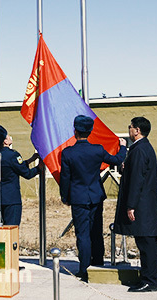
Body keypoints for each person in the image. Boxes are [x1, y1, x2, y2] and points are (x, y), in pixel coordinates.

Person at [60, 115, 126, 283]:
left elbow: (65, 178)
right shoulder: (97, 149)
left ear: (75, 131)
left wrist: (65, 197)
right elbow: (117, 160)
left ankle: (84, 269)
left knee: (82, 234)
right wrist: (123, 147)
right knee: (96, 230)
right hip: (96, 196)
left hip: (78, 198)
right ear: (90, 132)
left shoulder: (68, 153)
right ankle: (97, 263)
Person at [113, 116, 157, 292]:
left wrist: (131, 205)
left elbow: (136, 180)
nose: (129, 130)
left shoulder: (140, 150)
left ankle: (150, 280)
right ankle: (149, 278)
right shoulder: (141, 148)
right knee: (146, 242)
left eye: (130, 127)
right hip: (144, 202)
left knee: (147, 243)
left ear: (137, 130)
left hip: (141, 204)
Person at [0, 125, 41, 226]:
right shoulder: (13, 155)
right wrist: (38, 168)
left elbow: (12, 168)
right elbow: (27, 174)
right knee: (12, 229)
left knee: (1, 229)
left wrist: (30, 160)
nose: (9, 137)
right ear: (5, 141)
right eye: (7, 136)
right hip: (12, 200)